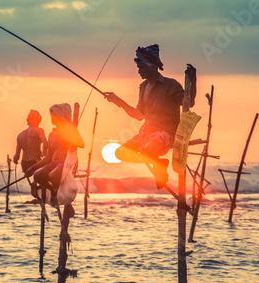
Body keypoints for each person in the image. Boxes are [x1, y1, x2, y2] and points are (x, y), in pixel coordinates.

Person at [104, 44, 197, 186]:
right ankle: (159, 164)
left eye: (142, 67)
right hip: (147, 133)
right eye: (138, 68)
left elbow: (188, 103)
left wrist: (193, 81)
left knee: (149, 148)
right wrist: (118, 101)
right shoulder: (143, 87)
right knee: (120, 153)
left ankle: (158, 168)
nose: (139, 71)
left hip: (166, 133)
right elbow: (139, 115)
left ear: (152, 66)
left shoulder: (171, 85)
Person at [25, 103, 85, 207]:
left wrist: (70, 138)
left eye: (54, 116)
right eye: (51, 116)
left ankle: (55, 193)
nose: (52, 118)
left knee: (52, 175)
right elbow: (49, 157)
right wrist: (32, 168)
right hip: (53, 163)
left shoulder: (70, 131)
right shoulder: (52, 134)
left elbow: (81, 144)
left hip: (65, 163)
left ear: (60, 116)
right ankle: (53, 190)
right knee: (37, 176)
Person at [13, 109, 48, 174]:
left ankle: (33, 183)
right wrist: (44, 153)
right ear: (38, 120)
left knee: (30, 176)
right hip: (35, 162)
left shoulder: (20, 135)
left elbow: (16, 156)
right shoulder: (39, 130)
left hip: (24, 164)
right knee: (44, 174)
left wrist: (16, 159)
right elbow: (46, 144)